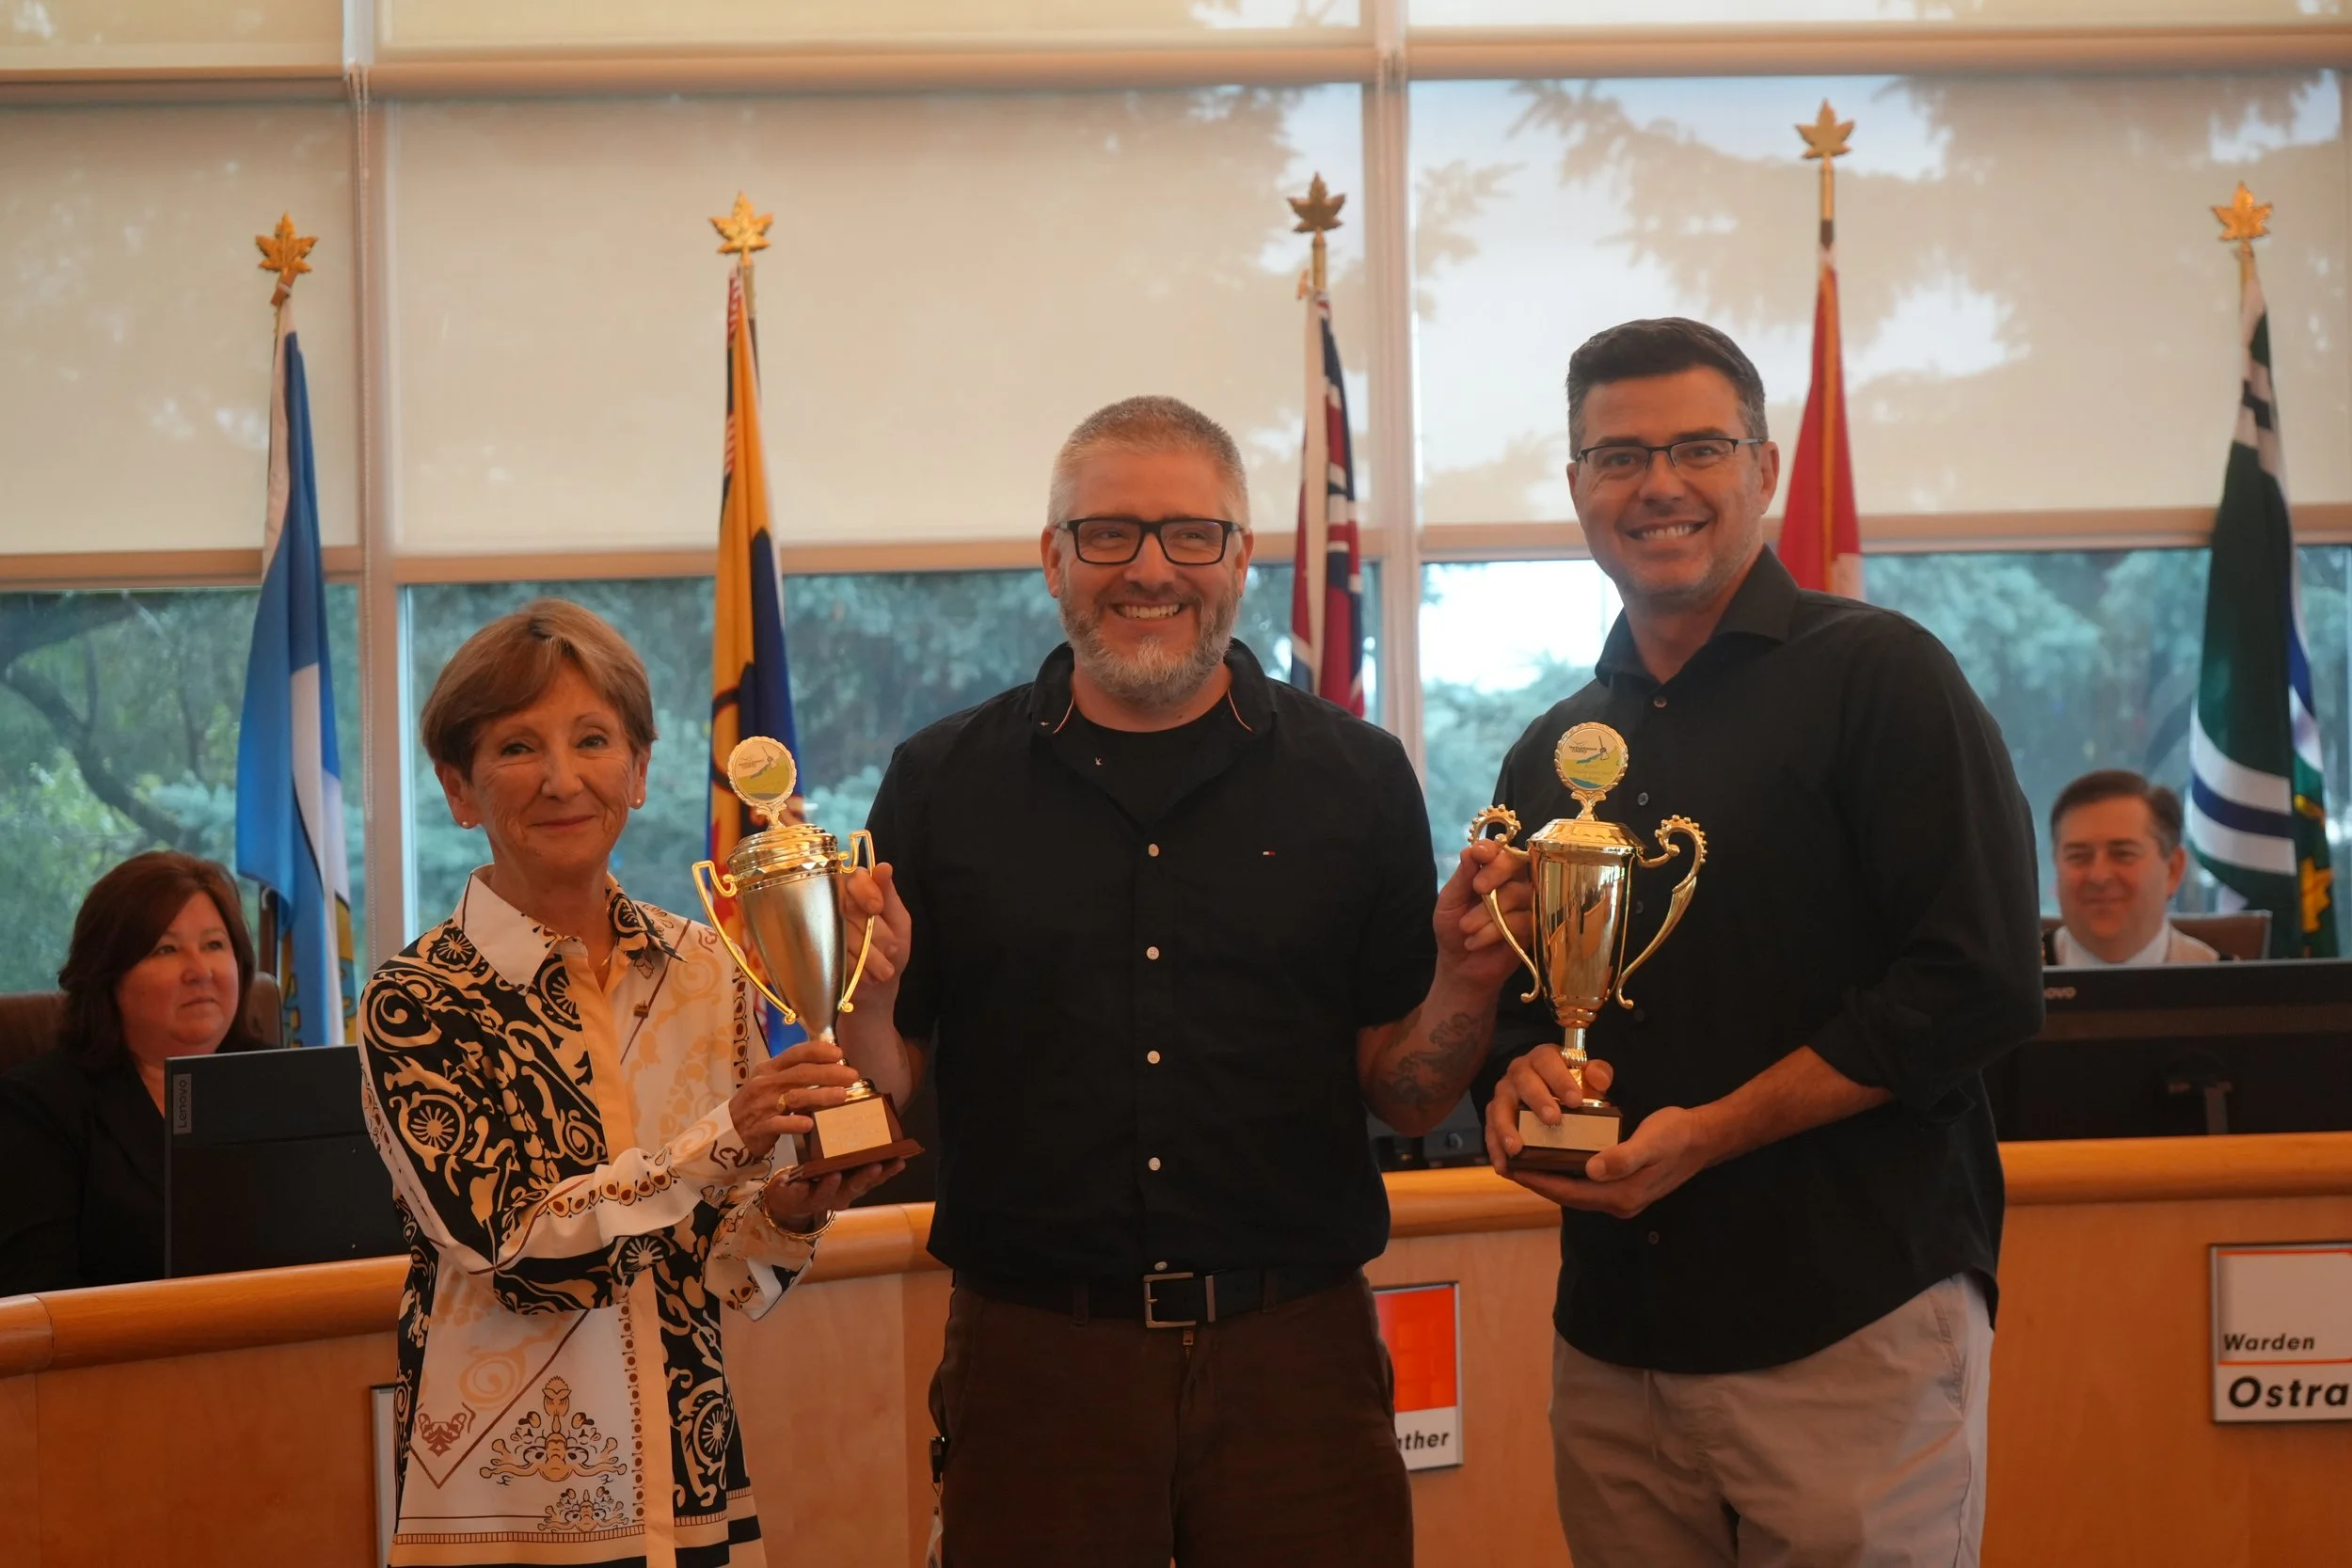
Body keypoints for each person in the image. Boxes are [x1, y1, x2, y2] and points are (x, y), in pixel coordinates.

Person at [833, 395, 1531, 1568]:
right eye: (1107, 532)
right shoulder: (941, 780)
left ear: (1240, 557)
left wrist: (1466, 980)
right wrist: (858, 996)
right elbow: (885, 1087)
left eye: (1189, 534)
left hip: (1298, 1364)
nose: (1149, 568)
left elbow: (1407, 1097)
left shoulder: (1357, 778)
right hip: (1034, 1367)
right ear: (1053, 557)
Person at [1480, 319, 2044, 1568]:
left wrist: (1710, 1132)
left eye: (1698, 447)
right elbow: (1525, 1010)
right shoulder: (1553, 752)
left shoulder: (1884, 678)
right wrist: (1513, 1085)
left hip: (1849, 1325)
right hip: (1615, 1343)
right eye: (1618, 455)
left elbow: (1977, 983)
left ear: (1765, 467)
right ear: (1576, 483)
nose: (1658, 484)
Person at [359, 598, 902, 1568]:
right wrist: (726, 1137)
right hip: (507, 1512)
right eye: (518, 747)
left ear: (640, 770)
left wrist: (791, 1205)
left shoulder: (707, 962)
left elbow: (724, 1266)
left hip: (695, 1488)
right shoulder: (416, 999)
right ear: (458, 787)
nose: (563, 778)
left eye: (593, 739)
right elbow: (509, 1253)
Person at [0, 851, 265, 1295]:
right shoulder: (38, 1110)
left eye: (215, 945)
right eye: (166, 949)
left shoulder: (282, 1083)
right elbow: (37, 1301)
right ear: (108, 977)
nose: (200, 971)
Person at [2047, 768, 2219, 965]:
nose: (2099, 876)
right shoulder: (2018, 976)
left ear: (2173, 869)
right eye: (2078, 856)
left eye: (2123, 854)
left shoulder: (2229, 981)